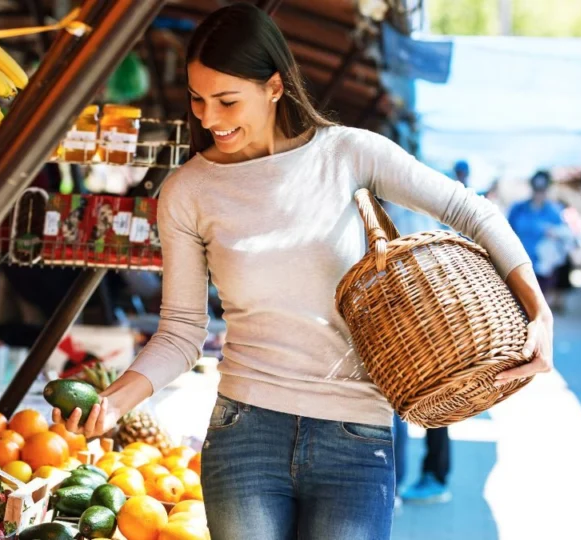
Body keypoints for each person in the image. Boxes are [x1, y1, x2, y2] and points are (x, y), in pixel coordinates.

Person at [53, 4, 554, 539]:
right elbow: (181, 333)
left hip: (356, 435)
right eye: (198, 99)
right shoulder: (186, 192)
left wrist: (537, 311)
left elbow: (469, 210)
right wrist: (115, 401)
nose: (208, 119)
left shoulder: (348, 153)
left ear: (273, 87)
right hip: (245, 434)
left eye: (227, 101)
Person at [392, 159, 472, 506]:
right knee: (433, 400)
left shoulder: (396, 203)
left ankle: (410, 481)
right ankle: (430, 478)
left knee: (403, 401)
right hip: (438, 313)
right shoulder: (437, 206)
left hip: (416, 314)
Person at [508, 171, 573, 312]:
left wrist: (555, 233)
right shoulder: (518, 209)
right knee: (517, 308)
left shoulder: (554, 211)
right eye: (536, 189)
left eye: (542, 189)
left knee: (538, 310)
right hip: (518, 265)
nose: (539, 193)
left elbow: (566, 236)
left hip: (543, 269)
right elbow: (505, 232)